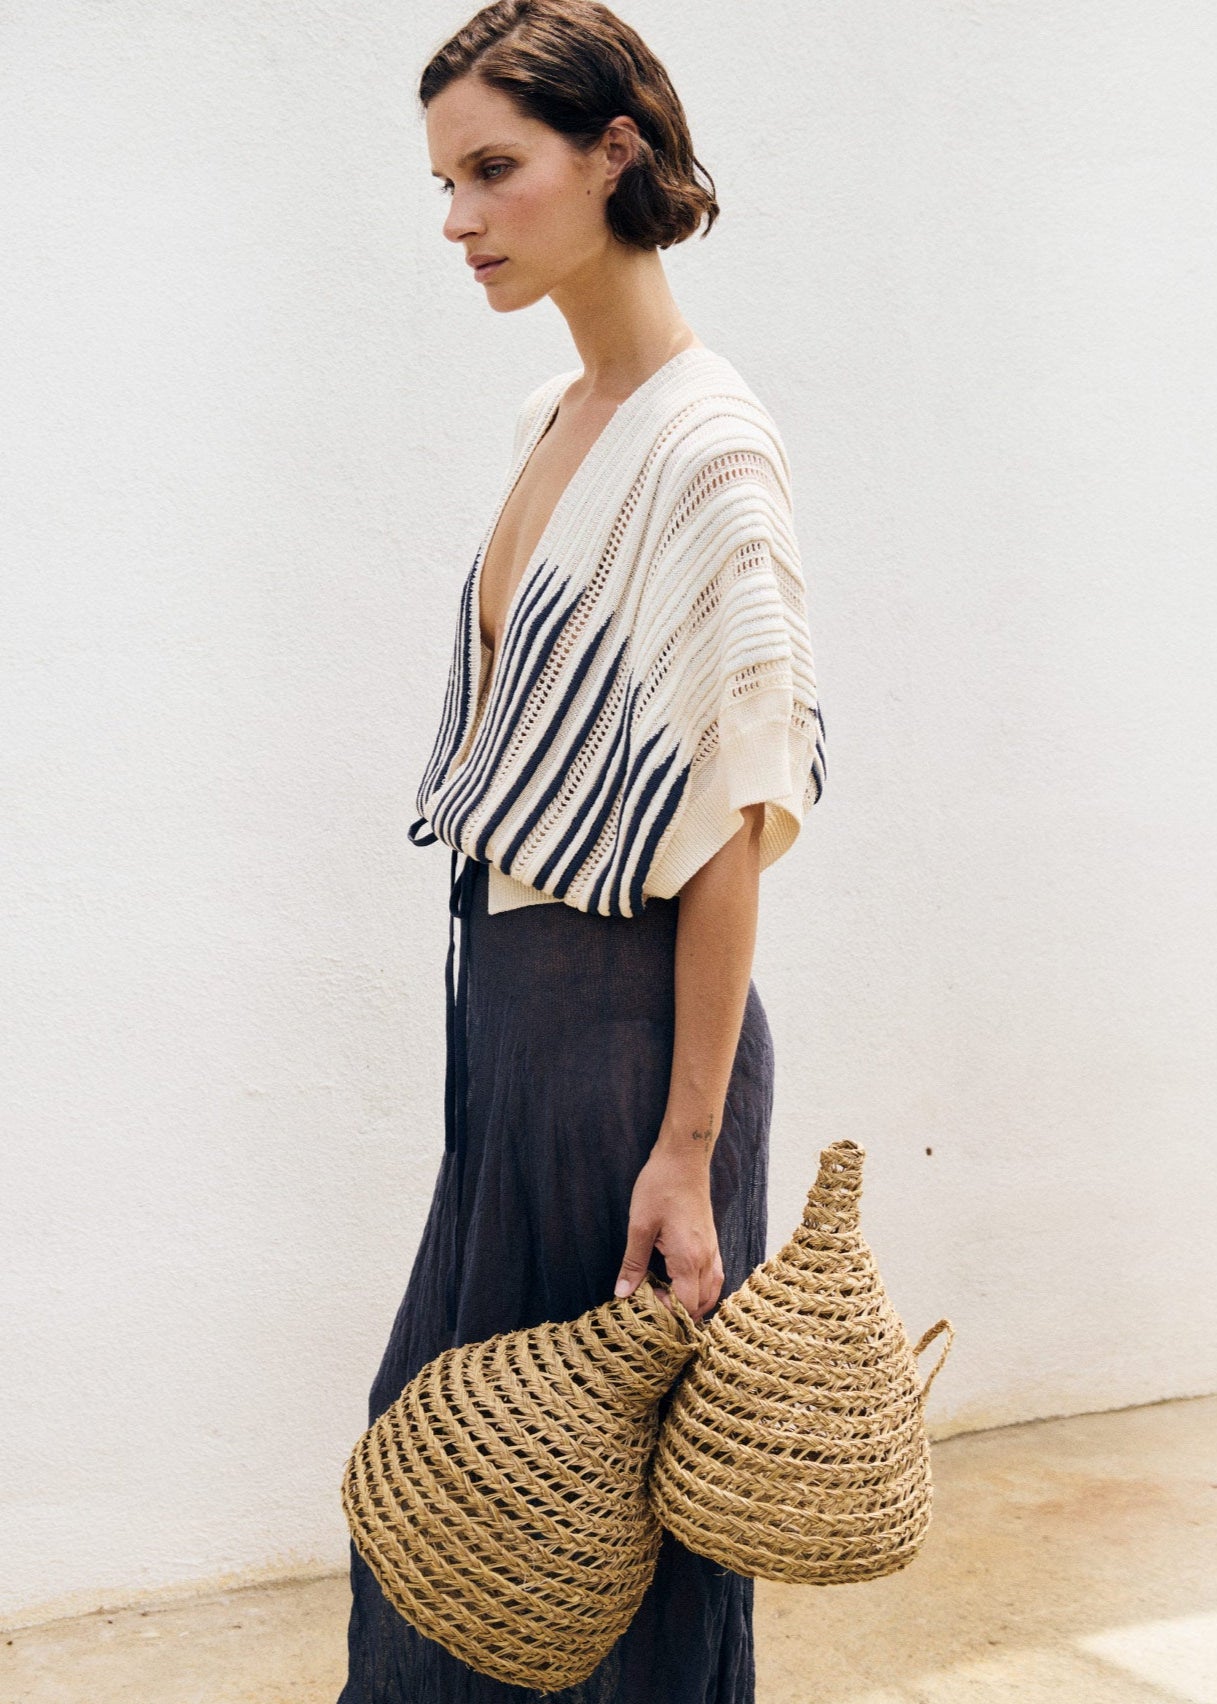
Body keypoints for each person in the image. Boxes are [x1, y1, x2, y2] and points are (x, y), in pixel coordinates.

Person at [337, 2, 825, 1699]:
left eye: (491, 169)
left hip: (630, 1048)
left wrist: (683, 1148)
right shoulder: (567, 413)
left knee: (604, 1517)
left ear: (615, 151)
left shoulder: (704, 451)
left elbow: (729, 828)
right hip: (517, 1026)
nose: (458, 218)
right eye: (441, 181)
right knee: (463, 1487)